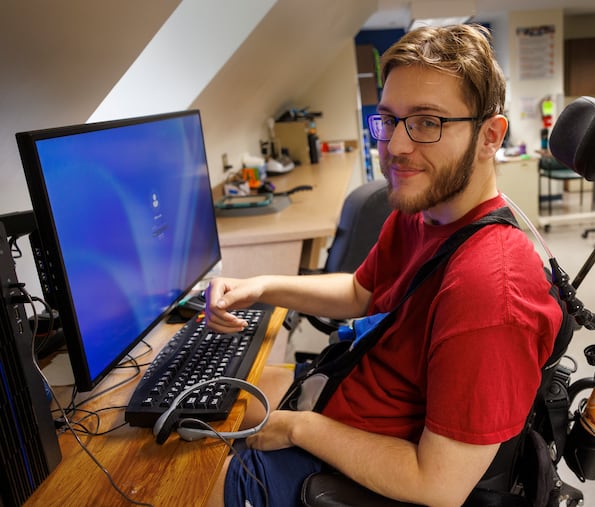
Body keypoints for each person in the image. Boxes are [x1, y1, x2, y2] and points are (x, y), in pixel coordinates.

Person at [205, 24, 562, 507]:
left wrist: (298, 427)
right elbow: (360, 292)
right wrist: (261, 286)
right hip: (342, 405)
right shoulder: (424, 211)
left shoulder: (489, 288)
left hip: (356, 473)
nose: (395, 146)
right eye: (389, 120)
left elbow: (438, 485)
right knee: (194, 413)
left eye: (427, 122)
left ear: (489, 136)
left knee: (175, 470)